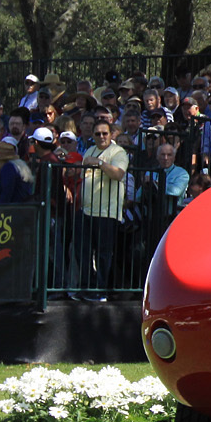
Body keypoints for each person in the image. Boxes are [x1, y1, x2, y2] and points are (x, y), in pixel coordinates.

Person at [78, 118, 131, 300]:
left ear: (111, 134)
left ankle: (101, 290)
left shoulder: (118, 152)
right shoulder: (89, 150)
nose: (101, 136)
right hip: (86, 211)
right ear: (92, 135)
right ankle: (86, 287)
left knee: (103, 253)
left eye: (105, 133)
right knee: (83, 252)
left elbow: (118, 174)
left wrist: (99, 163)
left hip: (107, 212)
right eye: (98, 133)